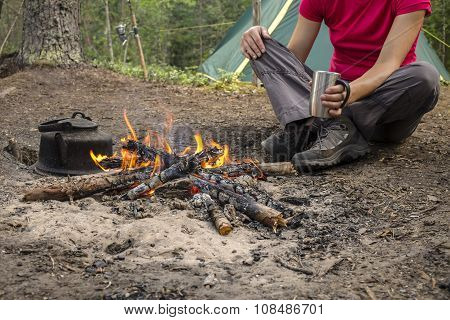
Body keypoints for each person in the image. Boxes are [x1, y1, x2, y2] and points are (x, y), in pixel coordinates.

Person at [240, 0, 440, 171]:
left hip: (386, 105)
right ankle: (322, 126)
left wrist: (348, 94)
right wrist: (258, 39)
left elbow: (387, 64)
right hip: (333, 99)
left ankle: (320, 126)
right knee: (262, 48)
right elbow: (294, 58)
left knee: (425, 76)